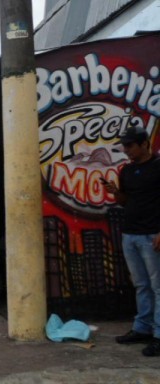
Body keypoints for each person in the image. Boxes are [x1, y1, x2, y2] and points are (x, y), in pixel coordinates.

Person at [102, 126, 160, 357]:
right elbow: (125, 201)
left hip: (152, 234)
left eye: (130, 145)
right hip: (130, 234)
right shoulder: (126, 170)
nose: (126, 150)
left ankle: (158, 335)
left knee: (158, 287)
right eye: (124, 146)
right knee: (141, 285)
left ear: (144, 143)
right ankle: (142, 328)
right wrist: (115, 192)